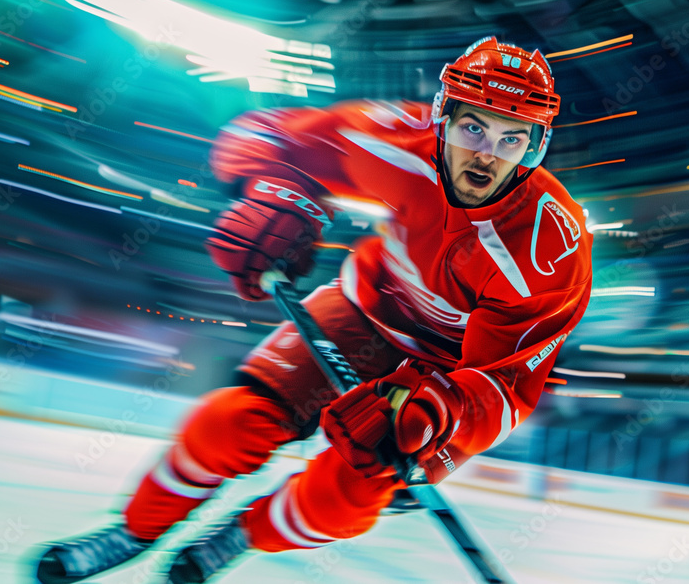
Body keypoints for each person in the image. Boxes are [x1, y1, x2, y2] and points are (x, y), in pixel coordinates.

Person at [35, 37, 593, 584]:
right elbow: (264, 136)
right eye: (474, 127)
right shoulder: (395, 140)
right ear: (443, 118)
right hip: (363, 314)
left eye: (511, 139)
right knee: (228, 424)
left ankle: (244, 534)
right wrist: (275, 194)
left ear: (535, 147)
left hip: (444, 375)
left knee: (343, 498)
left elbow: (505, 388)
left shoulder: (551, 250)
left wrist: (436, 414)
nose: (486, 155)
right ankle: (134, 531)